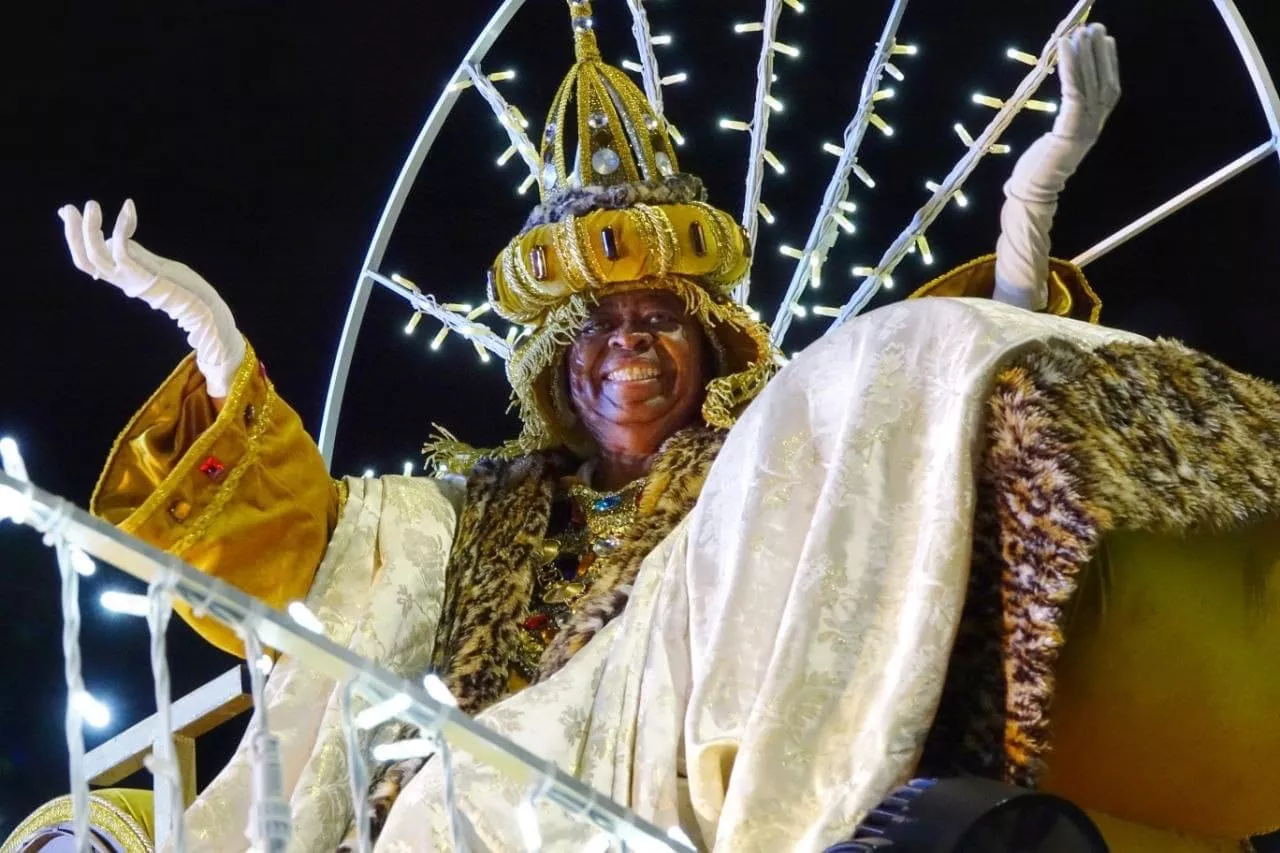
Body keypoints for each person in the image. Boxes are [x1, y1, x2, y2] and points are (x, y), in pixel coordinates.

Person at [19, 4, 1280, 852]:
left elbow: (915, 428)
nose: (628, 342)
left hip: (644, 778)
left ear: (710, 342)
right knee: (391, 740)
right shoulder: (463, 515)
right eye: (598, 325)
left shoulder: (764, 463)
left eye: (659, 318)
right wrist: (211, 335)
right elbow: (291, 565)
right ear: (552, 370)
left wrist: (1028, 199)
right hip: (463, 791)